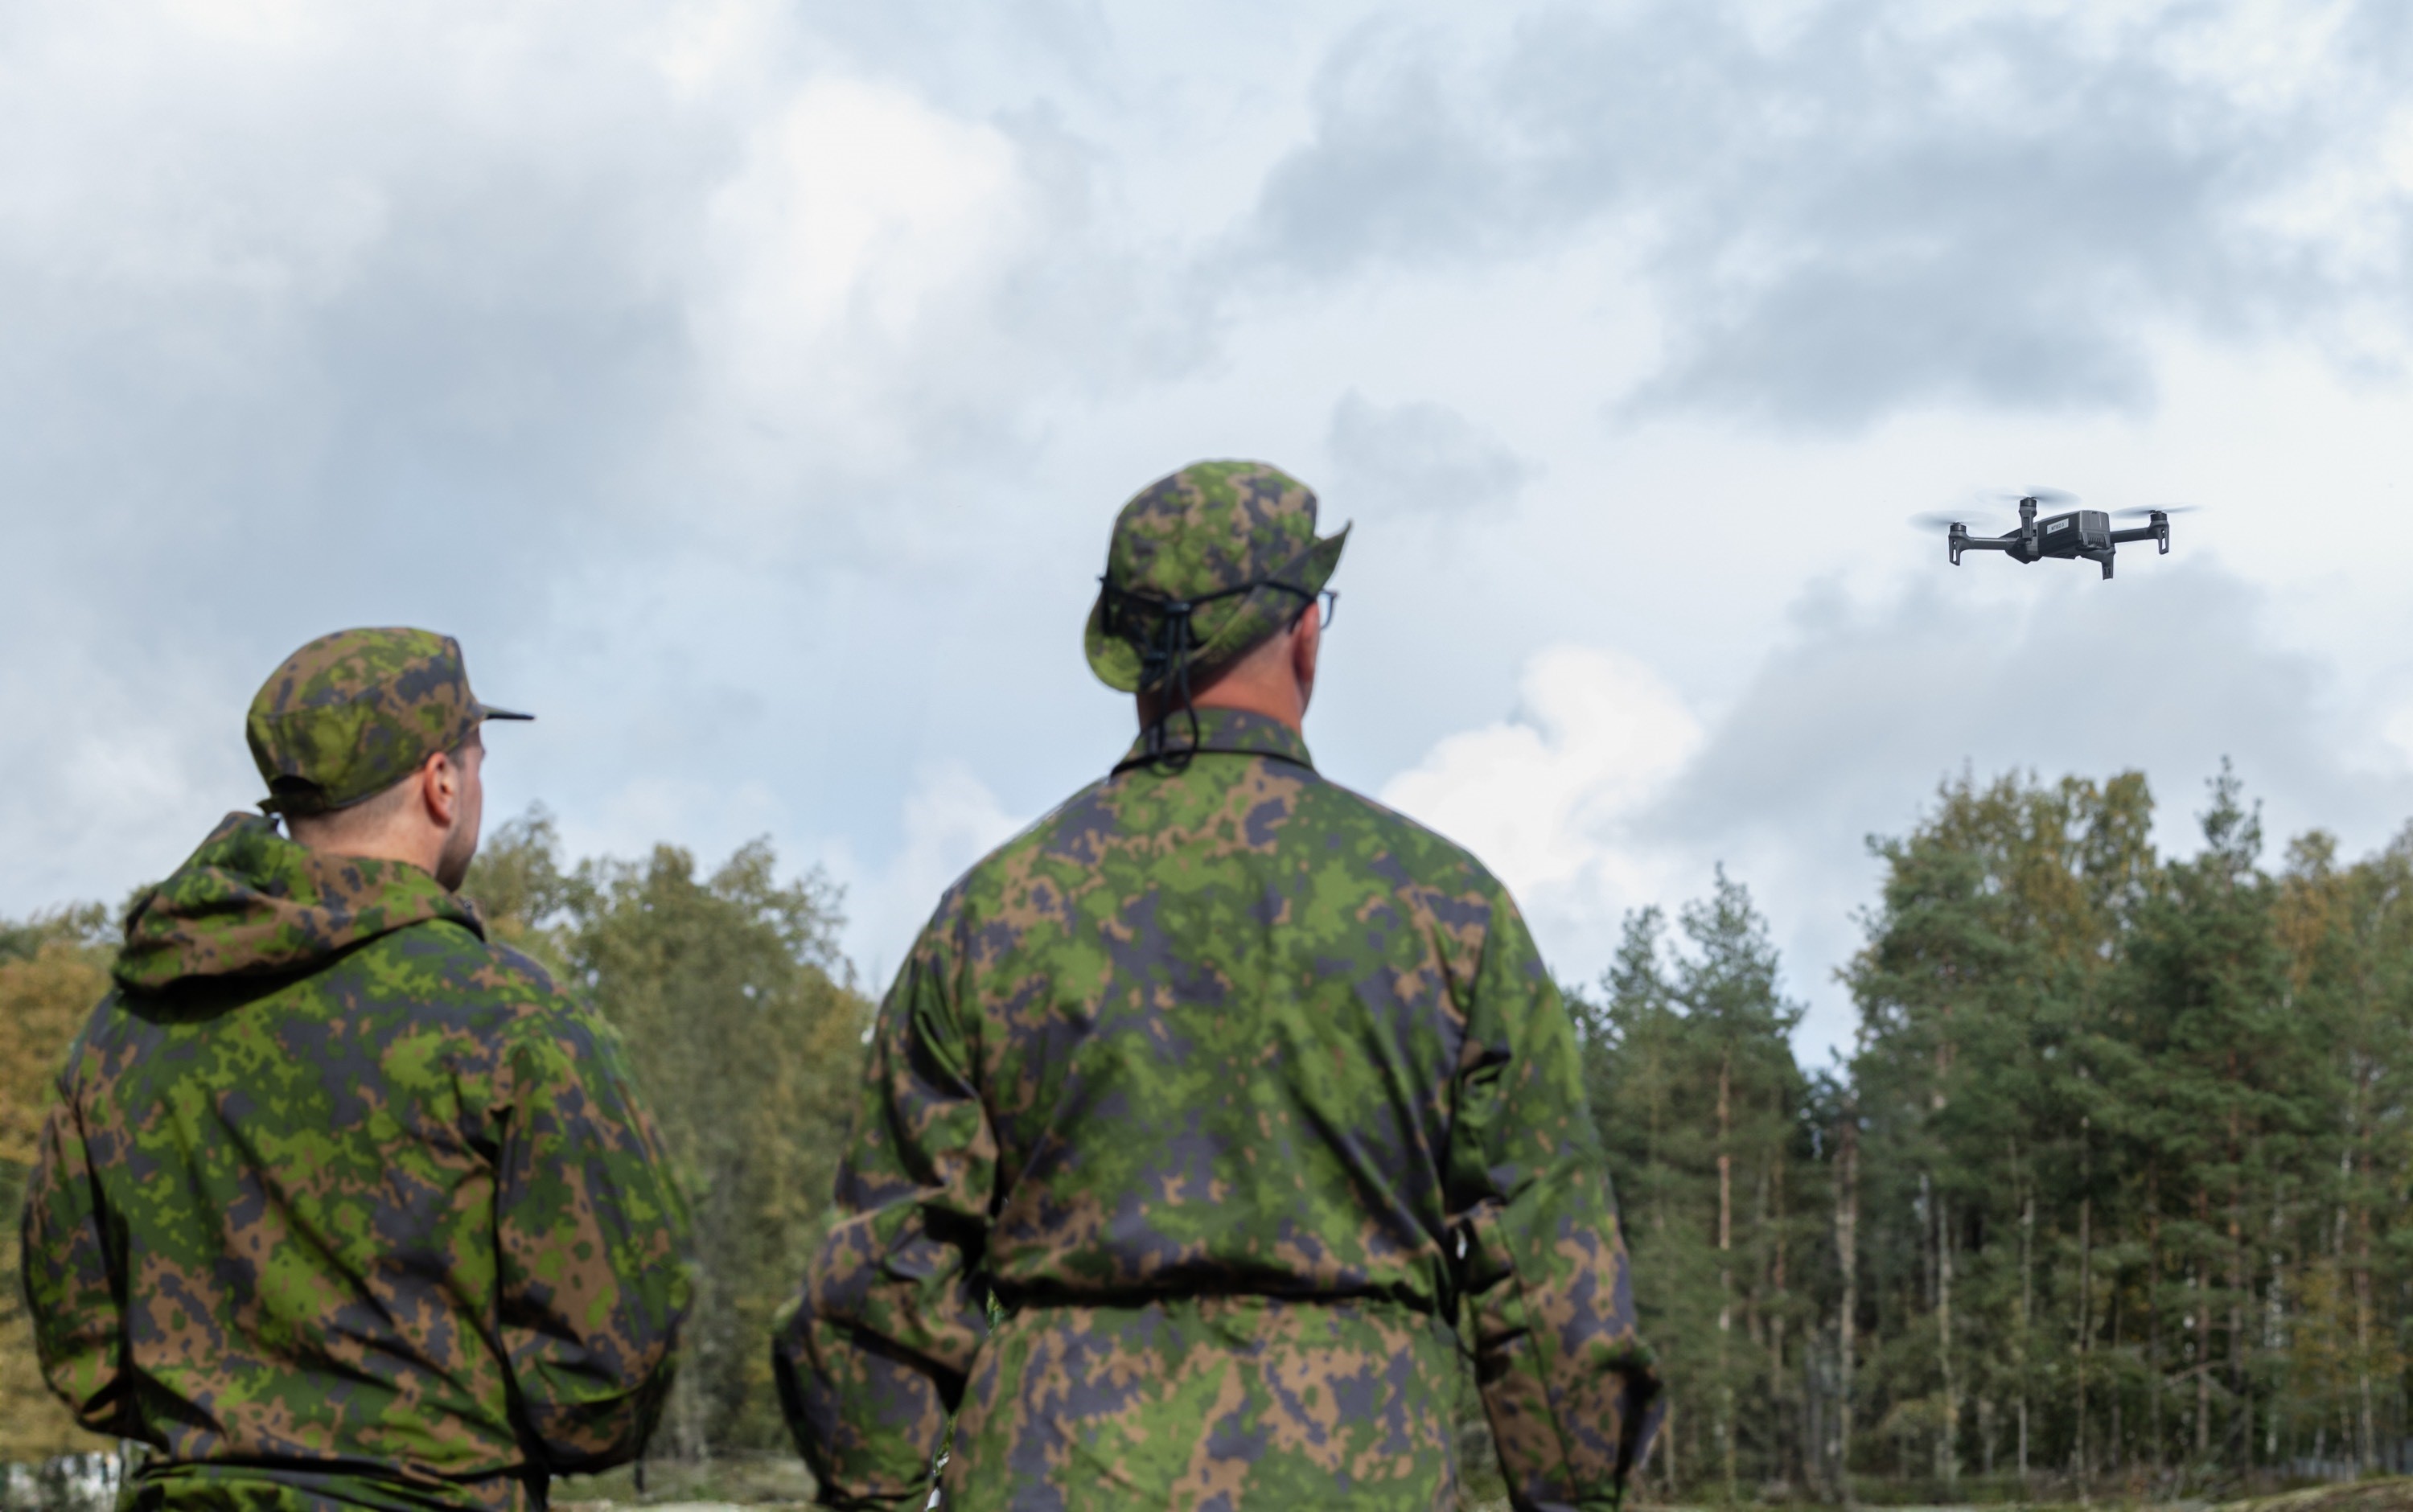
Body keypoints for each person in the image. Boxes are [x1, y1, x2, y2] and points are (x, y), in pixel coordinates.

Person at [775, 462, 1661, 1510]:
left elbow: (887, 1264)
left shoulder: (996, 912)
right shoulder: (1447, 910)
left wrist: (875, 1487)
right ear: (1304, 636)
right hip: (1359, 1468)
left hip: (1054, 1468)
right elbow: (1549, 1273)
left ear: (1131, 655)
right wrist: (1573, 1488)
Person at [19, 627, 693, 1511]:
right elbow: (607, 1372)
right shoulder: (514, 1019)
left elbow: (87, 1354)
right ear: (441, 782)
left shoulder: (125, 1028)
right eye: (476, 757)